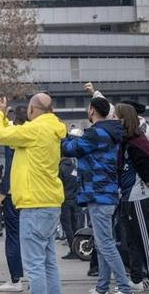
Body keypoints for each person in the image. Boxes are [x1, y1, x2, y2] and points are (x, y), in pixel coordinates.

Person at [0, 92, 65, 294]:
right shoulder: (50, 128)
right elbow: (12, 139)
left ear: (32, 110)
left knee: (34, 266)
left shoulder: (35, 130)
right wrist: (4, 117)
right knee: (48, 263)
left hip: (34, 206)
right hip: (50, 204)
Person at [61, 97, 138, 294]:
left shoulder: (97, 132)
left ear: (92, 111)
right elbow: (80, 143)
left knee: (105, 244)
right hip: (107, 194)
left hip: (99, 194)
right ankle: (102, 287)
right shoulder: (107, 131)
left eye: (89, 108)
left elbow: (71, 149)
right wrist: (68, 136)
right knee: (103, 243)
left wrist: (61, 136)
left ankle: (123, 286)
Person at [115, 103, 149, 291]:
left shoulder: (138, 141)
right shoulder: (125, 141)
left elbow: (146, 171)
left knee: (144, 240)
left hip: (139, 198)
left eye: (117, 117)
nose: (114, 120)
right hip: (127, 197)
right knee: (133, 240)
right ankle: (136, 279)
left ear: (124, 119)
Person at [0, 105, 28, 292]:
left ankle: (16, 280)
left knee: (13, 237)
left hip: (14, 195)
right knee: (33, 239)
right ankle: (38, 277)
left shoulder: (13, 138)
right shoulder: (36, 134)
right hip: (33, 195)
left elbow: (10, 166)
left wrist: (4, 191)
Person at [59, 156, 80, 259]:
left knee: (67, 227)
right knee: (75, 225)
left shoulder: (60, 168)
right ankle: (77, 248)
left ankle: (73, 250)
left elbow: (58, 184)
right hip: (74, 199)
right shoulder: (74, 167)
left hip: (64, 200)